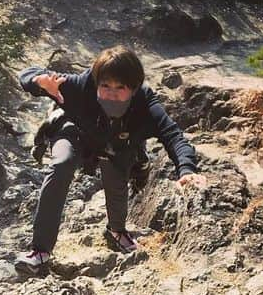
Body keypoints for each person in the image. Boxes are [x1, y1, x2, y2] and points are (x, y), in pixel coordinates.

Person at [17, 45, 205, 269]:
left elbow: (174, 137)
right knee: (61, 164)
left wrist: (187, 170)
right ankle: (40, 250)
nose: (111, 93)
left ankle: (116, 230)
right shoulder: (80, 85)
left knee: (118, 177)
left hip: (117, 141)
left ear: (134, 88)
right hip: (76, 131)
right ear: (97, 83)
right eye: (105, 86)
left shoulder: (145, 104)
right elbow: (27, 73)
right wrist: (40, 82)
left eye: (120, 87)